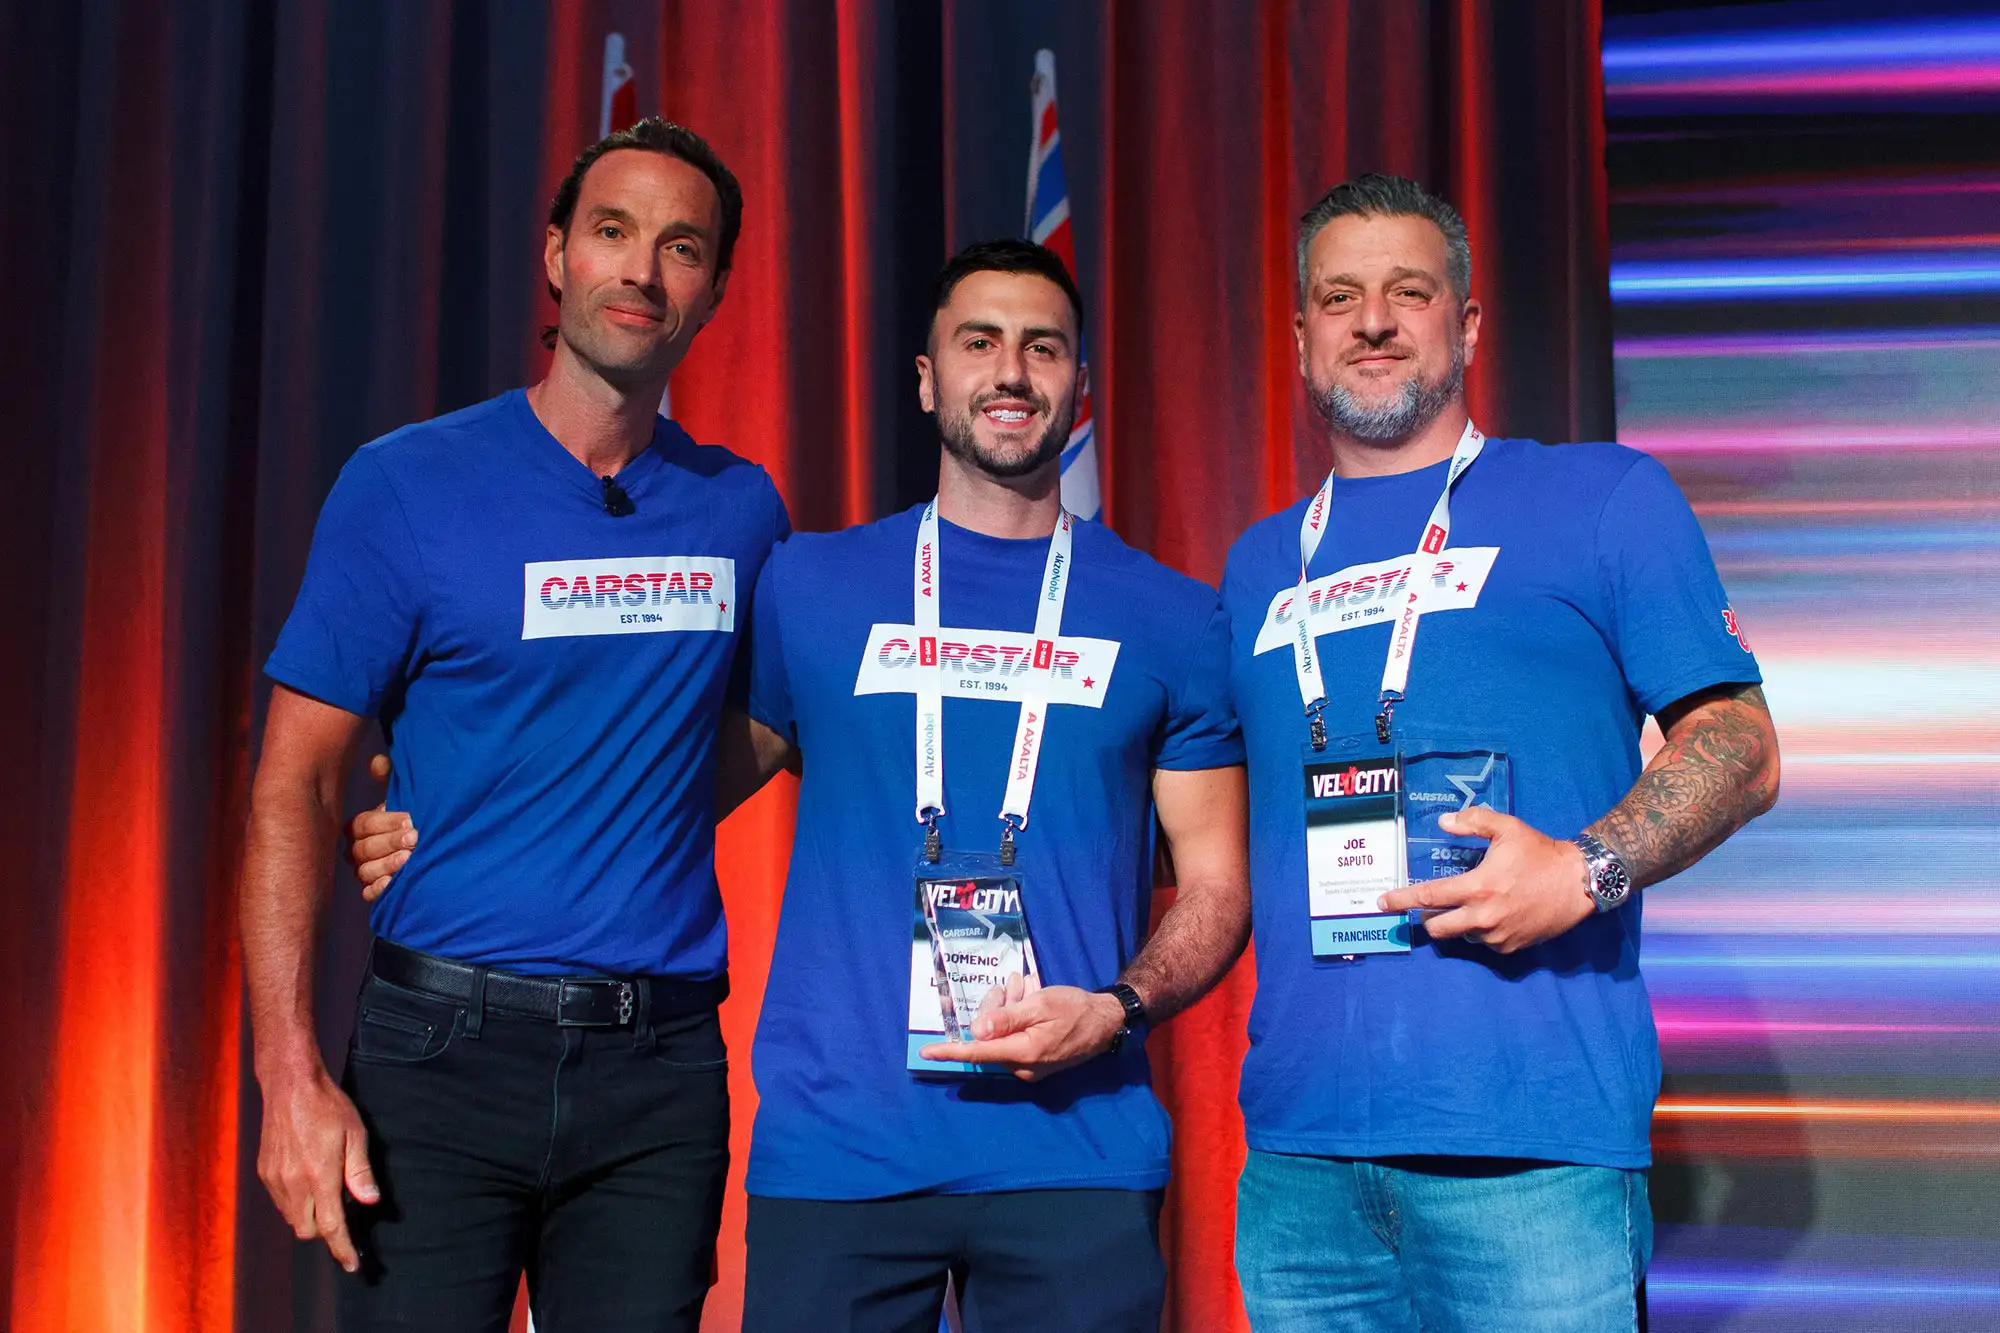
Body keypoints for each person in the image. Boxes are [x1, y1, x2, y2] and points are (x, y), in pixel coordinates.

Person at [352, 238, 1253, 1332]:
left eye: (1041, 347)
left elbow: (1213, 886)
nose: (1010, 372)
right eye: (979, 343)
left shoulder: (1173, 615)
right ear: (926, 378)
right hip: (837, 1159)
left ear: (1079, 387)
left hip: (1078, 1154)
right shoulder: (810, 585)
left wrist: (1112, 1012)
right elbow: (657, 774)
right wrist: (440, 807)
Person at [241, 118, 788, 1333]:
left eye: (680, 246)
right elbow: (292, 782)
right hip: (439, 1058)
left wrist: (606, 813)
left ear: (710, 291)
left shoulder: (740, 508)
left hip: (660, 1075)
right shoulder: (403, 485)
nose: (641, 268)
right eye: (611, 231)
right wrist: (287, 1070)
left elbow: (779, 719)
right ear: (555, 257)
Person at [1220, 174, 1780, 1332]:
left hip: (1533, 1154)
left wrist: (1582, 870)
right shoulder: (1255, 564)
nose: (1371, 320)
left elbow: (1738, 742)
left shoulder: (1600, 495)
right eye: (1339, 296)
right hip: (1297, 1167)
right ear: (1299, 334)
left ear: (1465, 324)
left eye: (1407, 291)